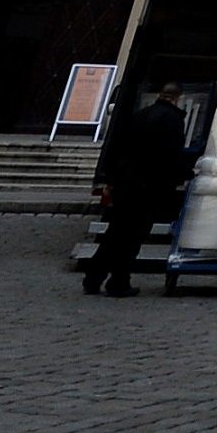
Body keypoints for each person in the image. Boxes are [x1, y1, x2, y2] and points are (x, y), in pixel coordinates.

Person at [88, 85, 191, 297]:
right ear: (177, 98)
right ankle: (118, 281)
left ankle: (93, 278)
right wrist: (187, 173)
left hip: (126, 182)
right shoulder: (172, 120)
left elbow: (121, 148)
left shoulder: (142, 114)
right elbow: (171, 154)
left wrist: (111, 179)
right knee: (132, 237)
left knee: (115, 233)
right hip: (148, 186)